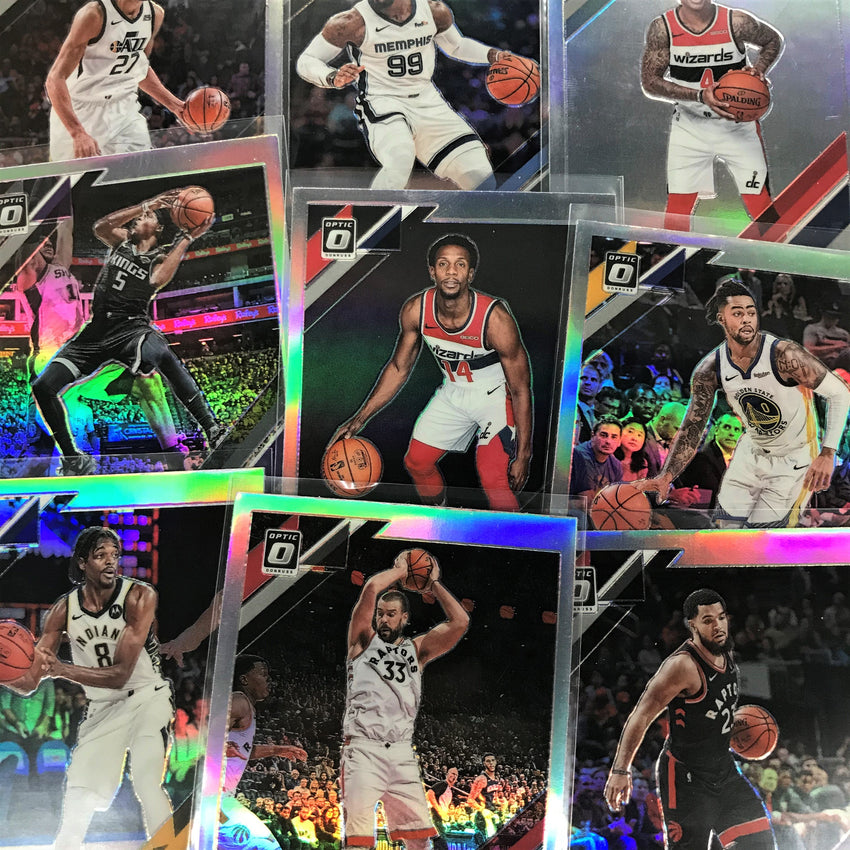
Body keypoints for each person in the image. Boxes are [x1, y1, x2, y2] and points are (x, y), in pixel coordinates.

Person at [331, 234, 532, 510]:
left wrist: (524, 454)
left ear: (470, 274)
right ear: (432, 271)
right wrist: (359, 419)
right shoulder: (416, 310)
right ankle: (439, 518)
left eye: (460, 264)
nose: (451, 272)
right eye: (443, 264)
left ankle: (516, 538)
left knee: (493, 477)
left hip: (496, 397)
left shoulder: (494, 319)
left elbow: (520, 389)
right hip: (454, 392)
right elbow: (399, 368)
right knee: (416, 462)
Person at [31, 191, 225, 476]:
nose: (141, 217)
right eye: (141, 215)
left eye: (148, 217)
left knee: (159, 351)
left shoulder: (158, 257)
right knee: (42, 387)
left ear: (158, 228)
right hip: (96, 331)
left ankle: (212, 427)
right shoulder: (122, 242)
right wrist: (147, 205)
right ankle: (73, 458)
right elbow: (100, 227)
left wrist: (186, 237)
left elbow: (158, 280)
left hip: (131, 328)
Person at [6, 527, 174, 848]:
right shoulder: (63, 609)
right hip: (102, 708)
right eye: (100, 556)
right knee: (80, 793)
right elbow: (30, 682)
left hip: (147, 698)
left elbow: (121, 674)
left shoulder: (139, 596)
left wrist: (62, 669)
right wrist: (6, 672)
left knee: (146, 781)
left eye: (114, 555)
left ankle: (169, 846)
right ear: (82, 563)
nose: (111, 562)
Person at [636, 280, 850, 527]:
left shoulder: (784, 355)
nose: (747, 319)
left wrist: (828, 453)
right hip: (751, 451)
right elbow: (692, 428)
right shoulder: (710, 368)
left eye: (751, 312)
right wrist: (667, 476)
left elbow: (839, 393)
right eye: (738, 313)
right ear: (721, 318)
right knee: (726, 531)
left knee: (762, 536)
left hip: (794, 455)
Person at [603, 589, 776, 850]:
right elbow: (641, 715)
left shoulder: (725, 652)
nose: (717, 626)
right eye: (708, 620)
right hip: (686, 777)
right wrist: (620, 770)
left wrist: (737, 728)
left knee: (760, 844)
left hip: (723, 770)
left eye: (721, 617)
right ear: (692, 624)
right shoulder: (682, 666)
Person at [295, 0, 525, 190]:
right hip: (381, 100)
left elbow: (456, 46)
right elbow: (307, 60)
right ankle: (376, 221)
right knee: (399, 159)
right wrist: (331, 76)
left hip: (427, 99)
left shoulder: (433, 11)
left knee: (480, 176)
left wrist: (493, 55)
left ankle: (470, 229)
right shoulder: (351, 22)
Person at [17, 221, 189, 472]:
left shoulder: (60, 270)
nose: (49, 243)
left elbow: (66, 226)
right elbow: (26, 249)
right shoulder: (31, 275)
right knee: (52, 454)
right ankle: (60, 471)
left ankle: (172, 455)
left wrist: (61, 204)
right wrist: (35, 210)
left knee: (148, 381)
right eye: (43, 243)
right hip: (49, 361)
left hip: (81, 357)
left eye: (49, 240)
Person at [341, 550, 469, 848]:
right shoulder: (362, 641)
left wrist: (433, 583)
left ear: (404, 617)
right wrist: (401, 570)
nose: (383, 619)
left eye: (391, 614)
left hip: (401, 752)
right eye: (380, 613)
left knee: (420, 840)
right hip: (363, 750)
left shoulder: (417, 649)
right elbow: (371, 588)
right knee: (359, 841)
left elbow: (460, 621)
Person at [641, 0, 784, 230]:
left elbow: (772, 40)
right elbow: (650, 81)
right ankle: (673, 253)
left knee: (761, 204)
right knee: (677, 211)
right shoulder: (663, 28)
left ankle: (779, 250)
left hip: (737, 125)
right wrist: (699, 96)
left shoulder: (735, 22)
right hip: (689, 126)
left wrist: (758, 69)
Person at [46, 0, 186, 160]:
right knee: (75, 176)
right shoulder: (94, 15)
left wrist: (177, 107)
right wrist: (77, 132)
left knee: (139, 170)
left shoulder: (154, 14)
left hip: (123, 109)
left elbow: (138, 69)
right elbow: (54, 79)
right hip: (81, 109)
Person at [218, 655, 309, 849]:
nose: (269, 679)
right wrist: (215, 744)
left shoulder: (246, 708)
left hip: (221, 797)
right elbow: (201, 729)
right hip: (213, 798)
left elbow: (242, 751)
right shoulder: (239, 701)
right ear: (244, 679)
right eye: (263, 674)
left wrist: (278, 749)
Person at [676, 413, 743, 508]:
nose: (732, 433)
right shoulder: (702, 459)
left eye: (736, 430)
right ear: (716, 430)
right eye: (727, 427)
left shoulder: (743, 460)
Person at [570, 416, 623, 500]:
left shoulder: (616, 465)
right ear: (593, 435)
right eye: (603, 435)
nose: (608, 441)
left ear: (619, 441)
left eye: (614, 437)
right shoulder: (579, 456)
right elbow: (587, 500)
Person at [803, 304, 850, 372]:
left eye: (836, 317)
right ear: (824, 315)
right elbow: (809, 350)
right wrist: (835, 347)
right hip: (821, 361)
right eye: (830, 316)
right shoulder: (813, 329)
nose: (833, 319)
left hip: (840, 362)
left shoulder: (843, 333)